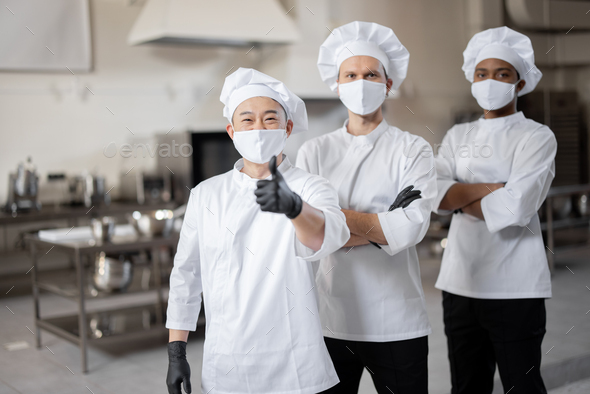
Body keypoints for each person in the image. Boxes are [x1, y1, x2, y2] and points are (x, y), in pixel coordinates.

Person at [165, 67, 350, 394]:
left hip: (296, 364)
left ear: (288, 127)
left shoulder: (311, 187)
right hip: (227, 365)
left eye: (270, 119)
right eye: (247, 120)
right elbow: (187, 274)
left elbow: (328, 236)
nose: (259, 128)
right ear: (231, 130)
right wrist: (176, 350)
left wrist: (295, 208)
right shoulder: (207, 194)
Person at [296, 21, 436, 394]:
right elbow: (307, 236)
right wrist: (382, 222)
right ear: (337, 84)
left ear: (388, 84)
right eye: (351, 74)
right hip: (332, 319)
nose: (360, 82)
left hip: (397, 320)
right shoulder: (314, 151)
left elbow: (412, 227)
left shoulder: (413, 149)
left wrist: (333, 222)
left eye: (371, 74)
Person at [433, 27, 557, 394]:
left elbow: (515, 206)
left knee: (522, 385)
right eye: (482, 74)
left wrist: (459, 197)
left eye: (502, 74)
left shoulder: (537, 136)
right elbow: (435, 196)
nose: (490, 82)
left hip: (516, 286)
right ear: (472, 79)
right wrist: (495, 190)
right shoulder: (457, 136)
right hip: (460, 282)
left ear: (519, 83)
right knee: (467, 385)